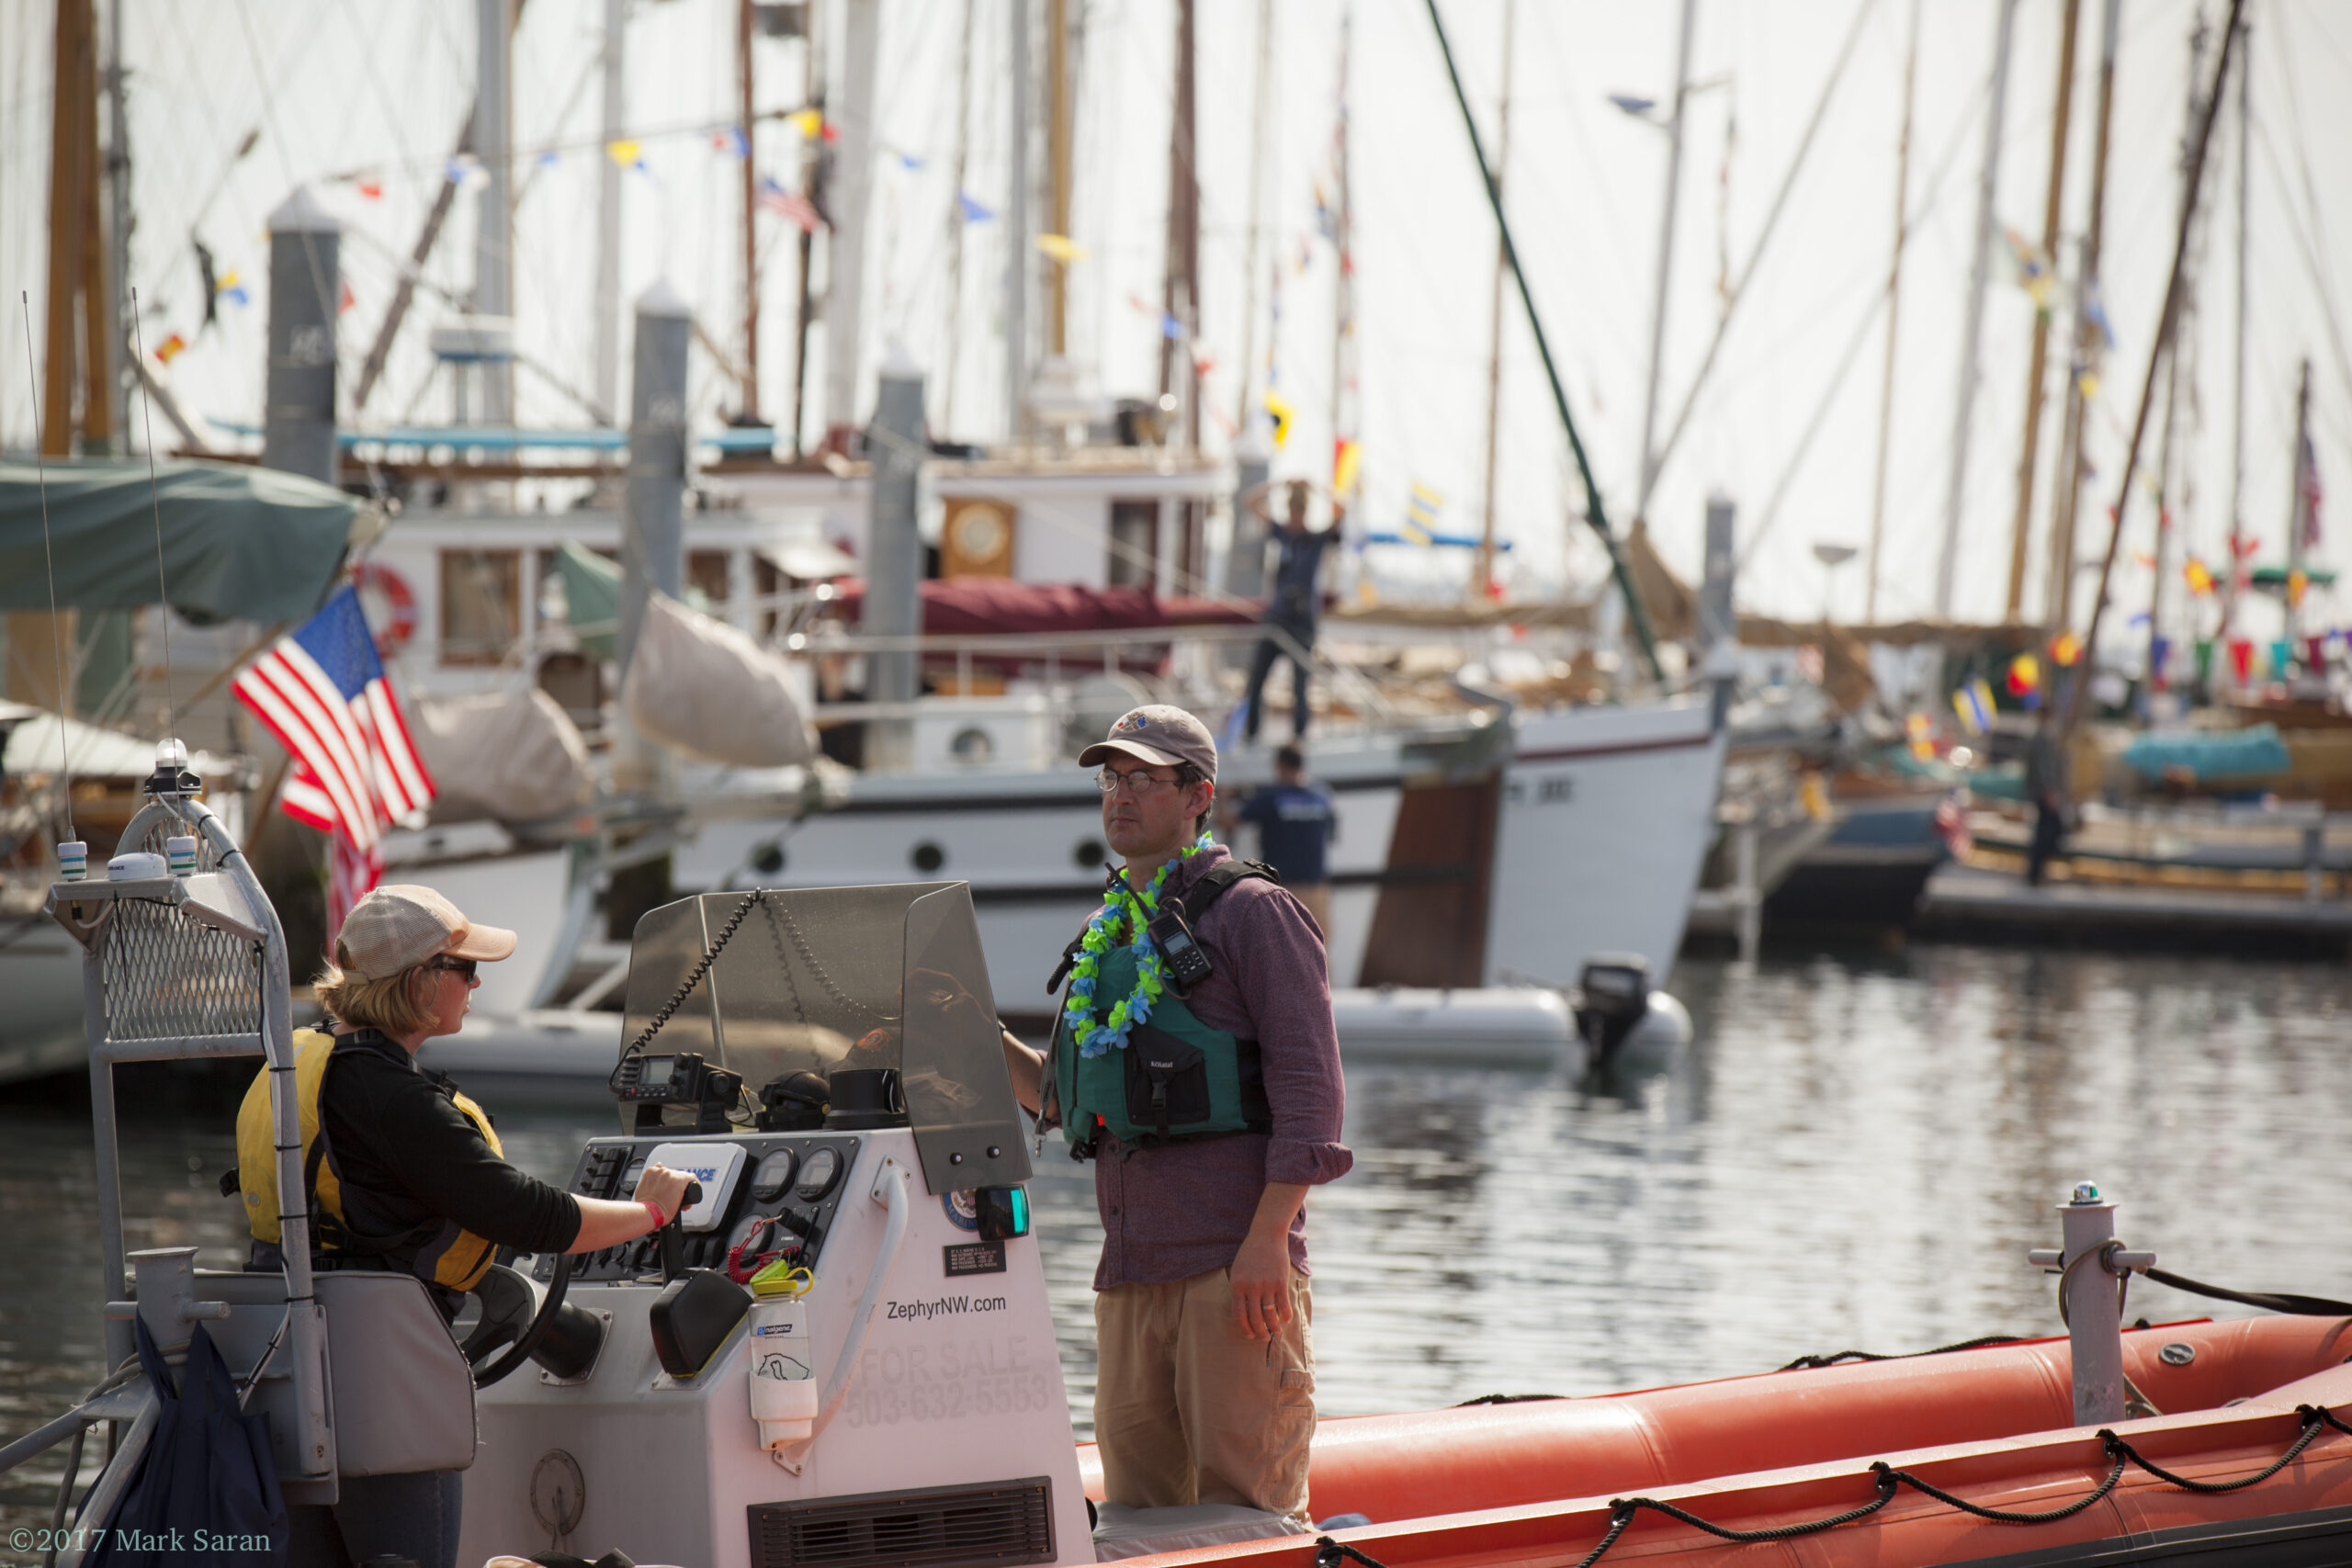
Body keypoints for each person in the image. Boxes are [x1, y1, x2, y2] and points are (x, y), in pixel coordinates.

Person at [235, 886, 694, 1568]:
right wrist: (650, 1212)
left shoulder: (300, 1065)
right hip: (382, 1389)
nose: (477, 981)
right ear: (421, 983)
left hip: (284, 1370)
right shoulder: (394, 1100)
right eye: (464, 967)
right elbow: (531, 1215)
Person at [999, 705, 1350, 1529]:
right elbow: (1064, 1096)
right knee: (1133, 1517)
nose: (1120, 796)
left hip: (1234, 1274)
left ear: (1200, 796)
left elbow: (1313, 1095)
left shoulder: (1255, 913)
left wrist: (1268, 1241)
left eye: (1144, 779)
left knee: (1244, 1516)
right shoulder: (1104, 929)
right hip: (1130, 1278)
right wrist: (964, 1031)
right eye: (1111, 779)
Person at [1239, 480, 1340, 743]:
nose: (1295, 518)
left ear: (1305, 512)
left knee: (1300, 685)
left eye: (1299, 512)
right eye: (1292, 512)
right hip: (1277, 618)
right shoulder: (1281, 534)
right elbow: (1250, 501)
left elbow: (1342, 508)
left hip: (1302, 622)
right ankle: (1251, 735)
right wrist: (1279, 485)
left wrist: (1317, 488)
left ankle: (1299, 739)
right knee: (1256, 681)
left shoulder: (1316, 539)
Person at [1224, 744, 1337, 942]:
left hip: (1282, 890)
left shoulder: (1272, 797)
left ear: (1280, 766)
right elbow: (1331, 835)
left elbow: (1229, 821)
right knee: (1320, 950)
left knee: (1280, 949)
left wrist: (1223, 798)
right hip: (1317, 888)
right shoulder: (1321, 796)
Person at [2023, 705, 2067, 886]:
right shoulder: (2041, 738)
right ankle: (2036, 873)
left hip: (2042, 792)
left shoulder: (2041, 736)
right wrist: (2049, 791)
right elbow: (2043, 767)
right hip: (2044, 793)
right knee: (2048, 832)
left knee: (2045, 832)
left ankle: (2037, 872)